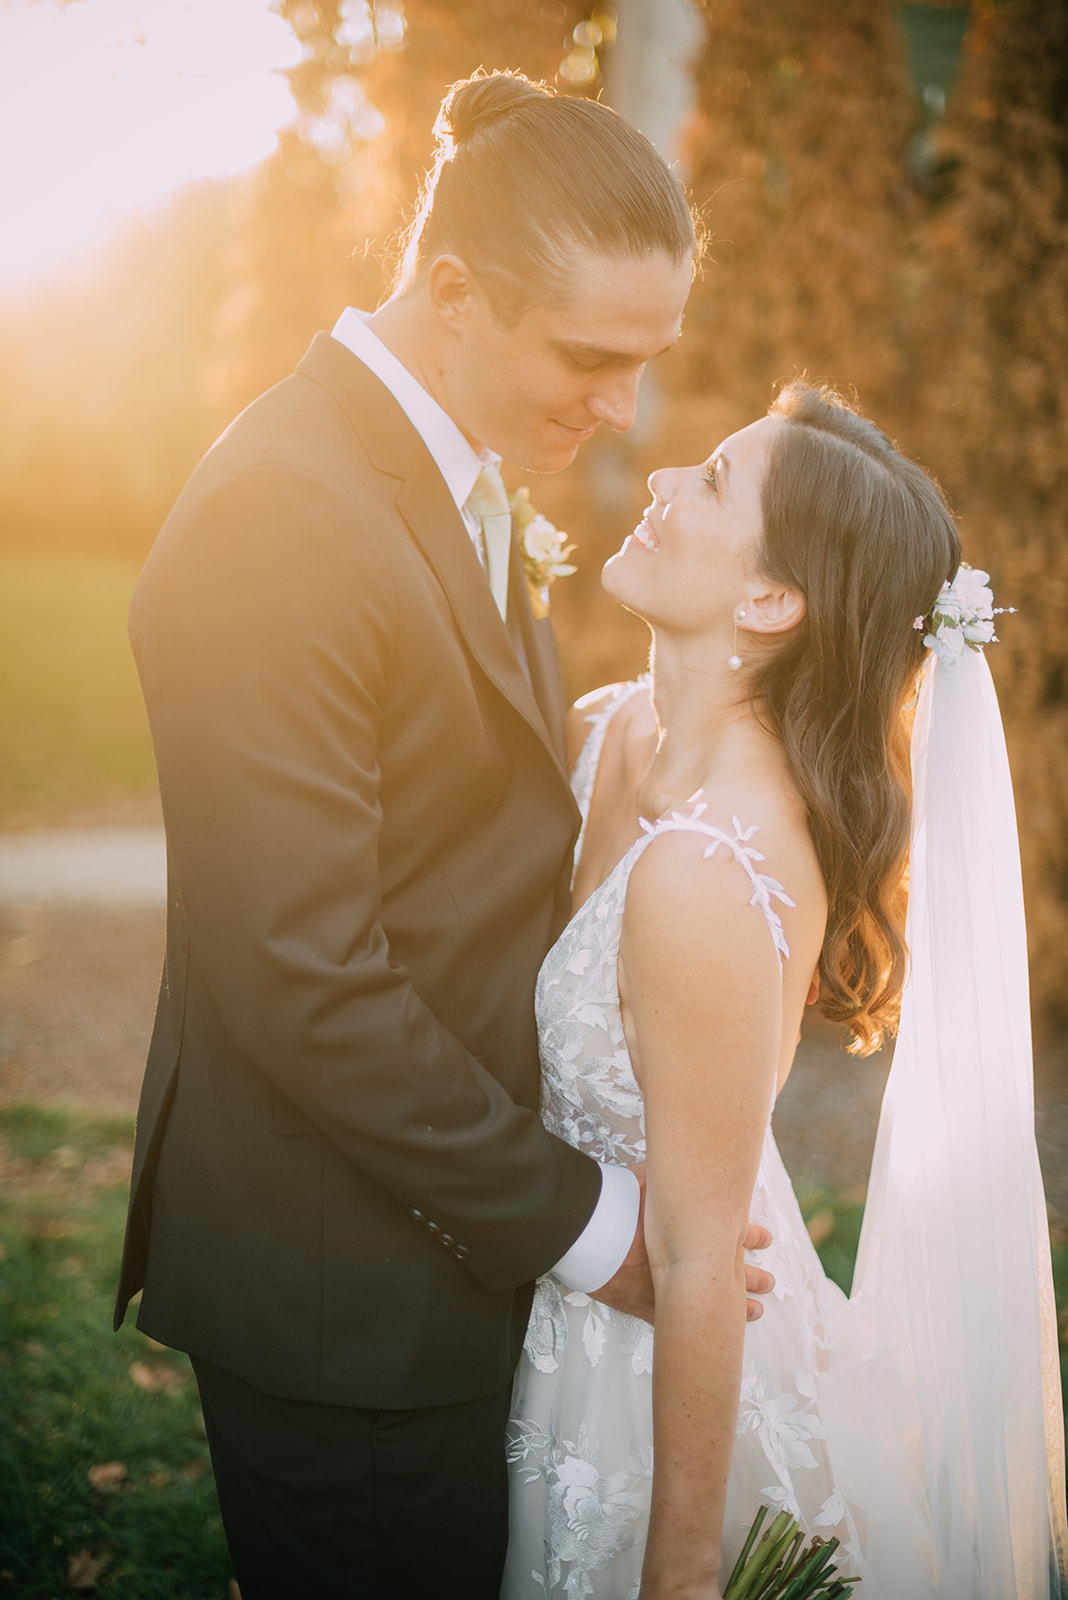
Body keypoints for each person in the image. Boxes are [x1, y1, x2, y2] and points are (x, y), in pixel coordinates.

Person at [112, 70, 775, 1600]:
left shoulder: (456, 472)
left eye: (645, 363)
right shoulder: (285, 516)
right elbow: (305, 977)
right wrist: (594, 1222)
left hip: (439, 1251)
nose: (623, 409)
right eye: (592, 359)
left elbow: (463, 828)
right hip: (343, 1284)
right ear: (457, 292)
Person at [503, 381, 1068, 1598]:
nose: (657, 482)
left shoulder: (711, 870)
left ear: (770, 600)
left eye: (709, 480)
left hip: (663, 1385)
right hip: (562, 1309)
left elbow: (703, 1257)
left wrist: (685, 1572)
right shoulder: (612, 737)